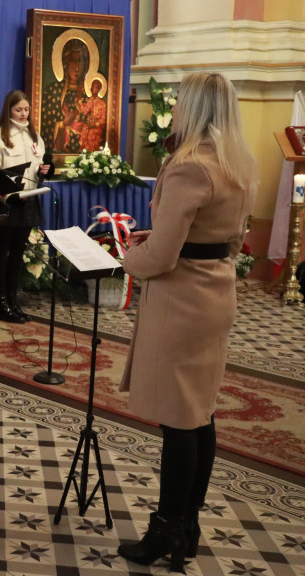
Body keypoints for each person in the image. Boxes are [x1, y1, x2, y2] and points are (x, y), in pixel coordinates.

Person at [117, 72, 257, 571]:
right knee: (200, 413)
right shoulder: (236, 164)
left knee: (178, 420)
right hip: (216, 291)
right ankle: (189, 524)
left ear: (192, 108)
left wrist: (124, 257)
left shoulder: (190, 167)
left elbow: (161, 257)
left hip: (182, 301)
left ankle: (167, 529)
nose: (173, 109)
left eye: (179, 103)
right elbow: (230, 238)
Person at [0, 90, 53, 323]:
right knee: (2, 254)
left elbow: (39, 165)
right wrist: (3, 191)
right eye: (18, 110)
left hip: (29, 199)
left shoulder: (34, 135)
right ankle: (0, 303)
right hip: (8, 202)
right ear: (9, 110)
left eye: (26, 109)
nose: (23, 114)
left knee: (17, 254)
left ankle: (12, 301)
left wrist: (45, 171)